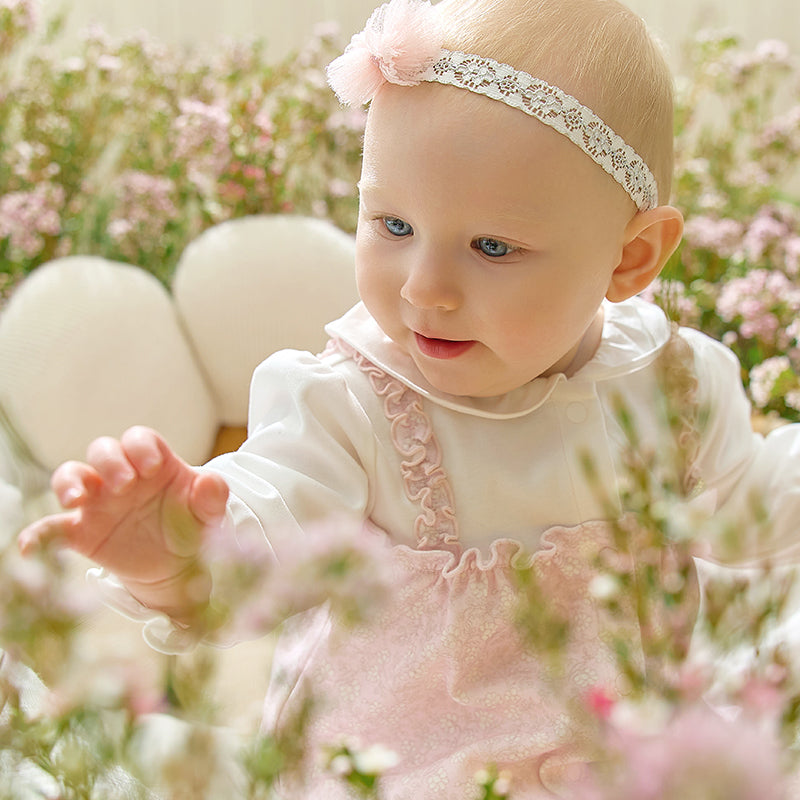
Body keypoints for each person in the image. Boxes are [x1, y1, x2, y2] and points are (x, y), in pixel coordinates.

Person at [16, 0, 800, 796]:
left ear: (630, 258)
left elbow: (757, 511)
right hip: (405, 769)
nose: (426, 289)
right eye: (391, 224)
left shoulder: (672, 383)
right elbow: (266, 519)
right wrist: (180, 548)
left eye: (493, 247)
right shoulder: (351, 402)